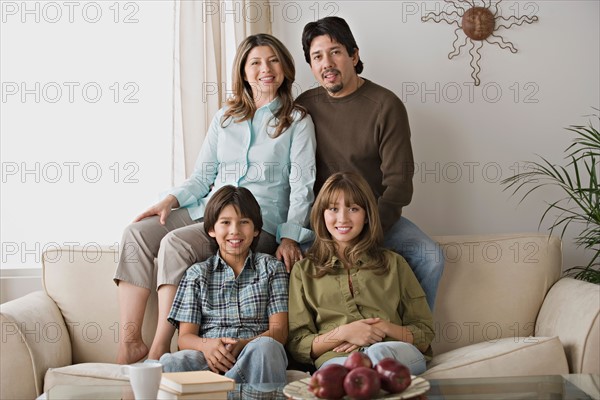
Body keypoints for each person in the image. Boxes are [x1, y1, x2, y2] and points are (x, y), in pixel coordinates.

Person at [113, 33, 315, 364]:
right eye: (255, 63)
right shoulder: (225, 117)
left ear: (285, 68)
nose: (265, 68)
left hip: (256, 221)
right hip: (209, 210)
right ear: (244, 72)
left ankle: (161, 347)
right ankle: (131, 342)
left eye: (273, 60)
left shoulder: (297, 121)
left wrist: (290, 235)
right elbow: (202, 177)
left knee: (175, 245)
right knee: (135, 233)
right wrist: (171, 200)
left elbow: (302, 183)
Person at [296, 16, 443, 310]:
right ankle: (305, 348)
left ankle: (416, 338)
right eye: (317, 56)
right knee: (286, 259)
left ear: (354, 54)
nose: (327, 63)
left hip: (373, 216)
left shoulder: (385, 105)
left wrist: (367, 232)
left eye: (335, 51)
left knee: (430, 256)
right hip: (320, 221)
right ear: (311, 65)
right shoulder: (304, 106)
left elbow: (399, 186)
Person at [286, 172, 434, 375]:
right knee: (348, 373)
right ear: (322, 214)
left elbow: (424, 334)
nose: (343, 218)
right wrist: (344, 333)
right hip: (337, 361)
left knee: (379, 357)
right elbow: (298, 344)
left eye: (353, 209)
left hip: (395, 353)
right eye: (333, 209)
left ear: (366, 216)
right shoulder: (303, 272)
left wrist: (383, 328)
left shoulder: (395, 264)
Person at [157, 185, 289, 383]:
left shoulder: (271, 269)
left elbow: (279, 332)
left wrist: (243, 344)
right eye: (225, 223)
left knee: (267, 347)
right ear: (212, 229)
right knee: (170, 363)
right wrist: (206, 346)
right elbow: (185, 339)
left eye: (244, 222)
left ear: (256, 230)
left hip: (253, 355)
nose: (234, 231)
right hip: (208, 358)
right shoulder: (196, 274)